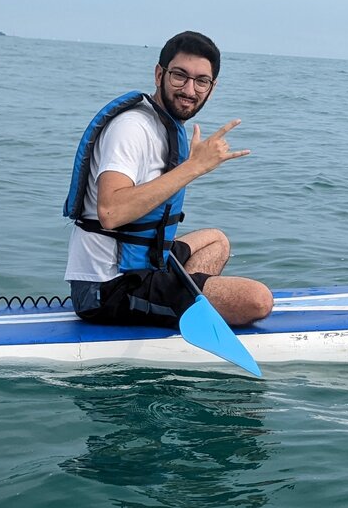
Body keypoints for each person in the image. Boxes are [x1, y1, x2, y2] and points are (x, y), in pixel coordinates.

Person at [63, 31, 274, 328]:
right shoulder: (132, 128)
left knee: (216, 241)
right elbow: (110, 213)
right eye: (179, 76)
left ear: (211, 89)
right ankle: (183, 306)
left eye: (201, 81)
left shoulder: (165, 125)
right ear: (159, 74)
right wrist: (194, 167)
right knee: (257, 300)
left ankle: (180, 303)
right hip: (107, 287)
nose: (190, 89)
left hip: (145, 266)